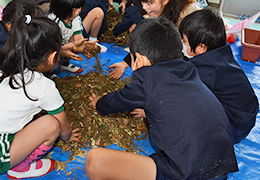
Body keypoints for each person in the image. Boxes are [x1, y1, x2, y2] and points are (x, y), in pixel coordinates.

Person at [86, 17, 238, 180]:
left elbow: (114, 102)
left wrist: (98, 103)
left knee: (94, 161)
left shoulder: (146, 83)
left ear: (141, 60)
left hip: (189, 173)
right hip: (220, 168)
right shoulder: (189, 68)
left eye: (133, 59)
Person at [0, 15, 81, 179]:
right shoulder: (45, 87)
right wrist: (67, 136)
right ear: (53, 57)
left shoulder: (6, 70)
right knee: (51, 124)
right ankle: (21, 167)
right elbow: (62, 123)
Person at [179, 9, 259, 144]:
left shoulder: (208, 71)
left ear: (201, 48)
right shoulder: (221, 51)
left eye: (185, 42)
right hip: (245, 115)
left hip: (234, 127)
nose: (184, 44)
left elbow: (184, 99)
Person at [108, 0, 199, 79]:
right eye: (142, 2)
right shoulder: (151, 11)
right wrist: (125, 63)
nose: (144, 7)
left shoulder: (187, 14)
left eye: (149, 3)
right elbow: (147, 41)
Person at [48, 0, 97, 73]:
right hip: (51, 47)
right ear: (61, 8)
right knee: (50, 55)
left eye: (79, 8)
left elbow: (78, 36)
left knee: (75, 43)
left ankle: (64, 64)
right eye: (74, 10)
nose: (77, 12)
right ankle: (48, 71)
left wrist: (82, 45)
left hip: (64, 43)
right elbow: (48, 45)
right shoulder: (53, 21)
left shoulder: (75, 18)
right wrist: (63, 49)